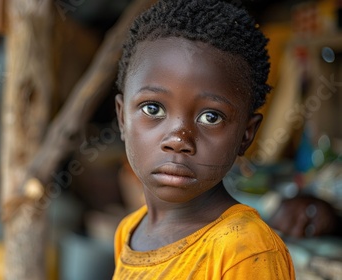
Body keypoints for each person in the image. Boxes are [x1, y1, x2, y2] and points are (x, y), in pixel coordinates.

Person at [112, 0, 296, 279]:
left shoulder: (244, 249)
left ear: (246, 135)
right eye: (153, 109)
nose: (178, 139)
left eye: (211, 117)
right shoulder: (129, 231)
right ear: (122, 117)